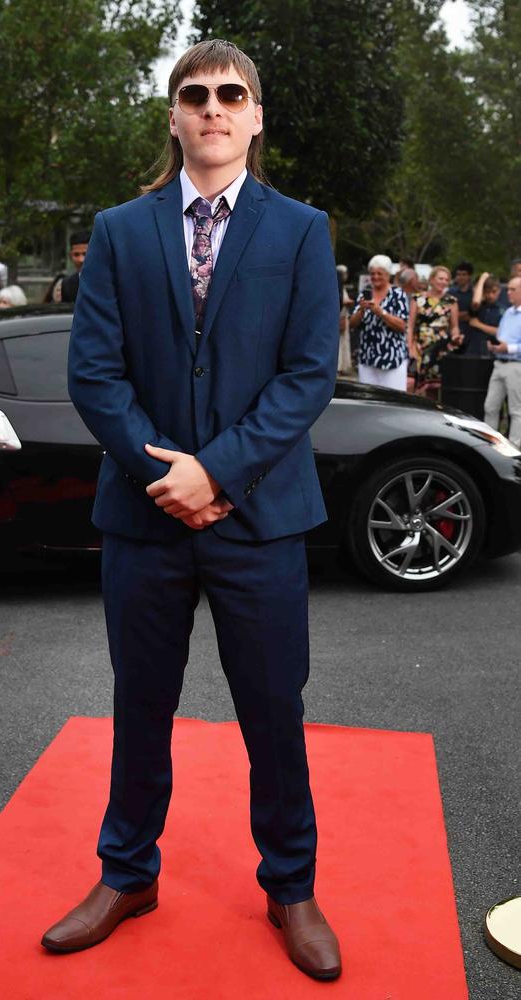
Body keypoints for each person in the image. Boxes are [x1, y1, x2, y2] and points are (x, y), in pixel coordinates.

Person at [42, 38, 342, 982]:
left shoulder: (301, 230)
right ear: (173, 115)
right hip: (143, 520)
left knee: (271, 711)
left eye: (231, 94)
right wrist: (158, 473)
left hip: (260, 521)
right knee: (141, 705)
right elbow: (93, 372)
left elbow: (305, 378)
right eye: (194, 93)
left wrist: (216, 475)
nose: (212, 107)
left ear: (255, 117)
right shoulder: (121, 231)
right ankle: (126, 873)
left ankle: (291, 886)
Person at [349, 254, 409, 390]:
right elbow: (352, 324)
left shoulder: (398, 294)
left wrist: (380, 312)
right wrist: (361, 310)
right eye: (372, 273)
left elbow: (401, 326)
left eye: (379, 273)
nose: (375, 277)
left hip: (392, 359)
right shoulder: (364, 293)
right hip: (367, 358)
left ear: (388, 275)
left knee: (394, 402)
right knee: (368, 402)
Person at [408, 265, 462, 399]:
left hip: (440, 348)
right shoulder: (418, 299)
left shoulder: (451, 301)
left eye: (446, 279)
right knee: (413, 385)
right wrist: (410, 346)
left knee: (436, 387)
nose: (443, 282)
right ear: (431, 280)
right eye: (440, 278)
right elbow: (410, 325)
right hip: (420, 346)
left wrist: (456, 336)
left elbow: (454, 326)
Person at [484, 275, 521, 447]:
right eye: (508, 289)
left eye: (512, 289)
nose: (508, 293)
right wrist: (495, 346)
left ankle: (515, 448)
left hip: (516, 366)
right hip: (499, 364)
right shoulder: (508, 312)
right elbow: (501, 335)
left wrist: (509, 348)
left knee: (516, 410)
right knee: (490, 407)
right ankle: (489, 446)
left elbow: (511, 344)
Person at [465, 272, 503, 356]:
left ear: (499, 291)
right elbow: (475, 302)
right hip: (473, 351)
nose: (490, 295)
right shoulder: (479, 306)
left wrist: (478, 325)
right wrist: (482, 279)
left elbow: (501, 332)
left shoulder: (503, 310)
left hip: (493, 353)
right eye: (487, 292)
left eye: (494, 292)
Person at [60, 230, 90, 303]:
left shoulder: (109, 282)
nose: (81, 260)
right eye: (76, 254)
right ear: (70, 256)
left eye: (85, 254)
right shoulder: (67, 284)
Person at [448, 261, 474, 341]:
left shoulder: (474, 293)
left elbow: (474, 315)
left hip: (471, 333)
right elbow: (446, 313)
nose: (460, 277)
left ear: (469, 276)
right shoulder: (450, 292)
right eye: (458, 274)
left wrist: (455, 314)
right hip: (451, 333)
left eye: (464, 274)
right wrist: (465, 314)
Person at [336, 264, 352, 374]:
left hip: (343, 316)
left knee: (343, 343)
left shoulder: (343, 286)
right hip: (339, 316)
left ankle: (341, 366)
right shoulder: (338, 285)